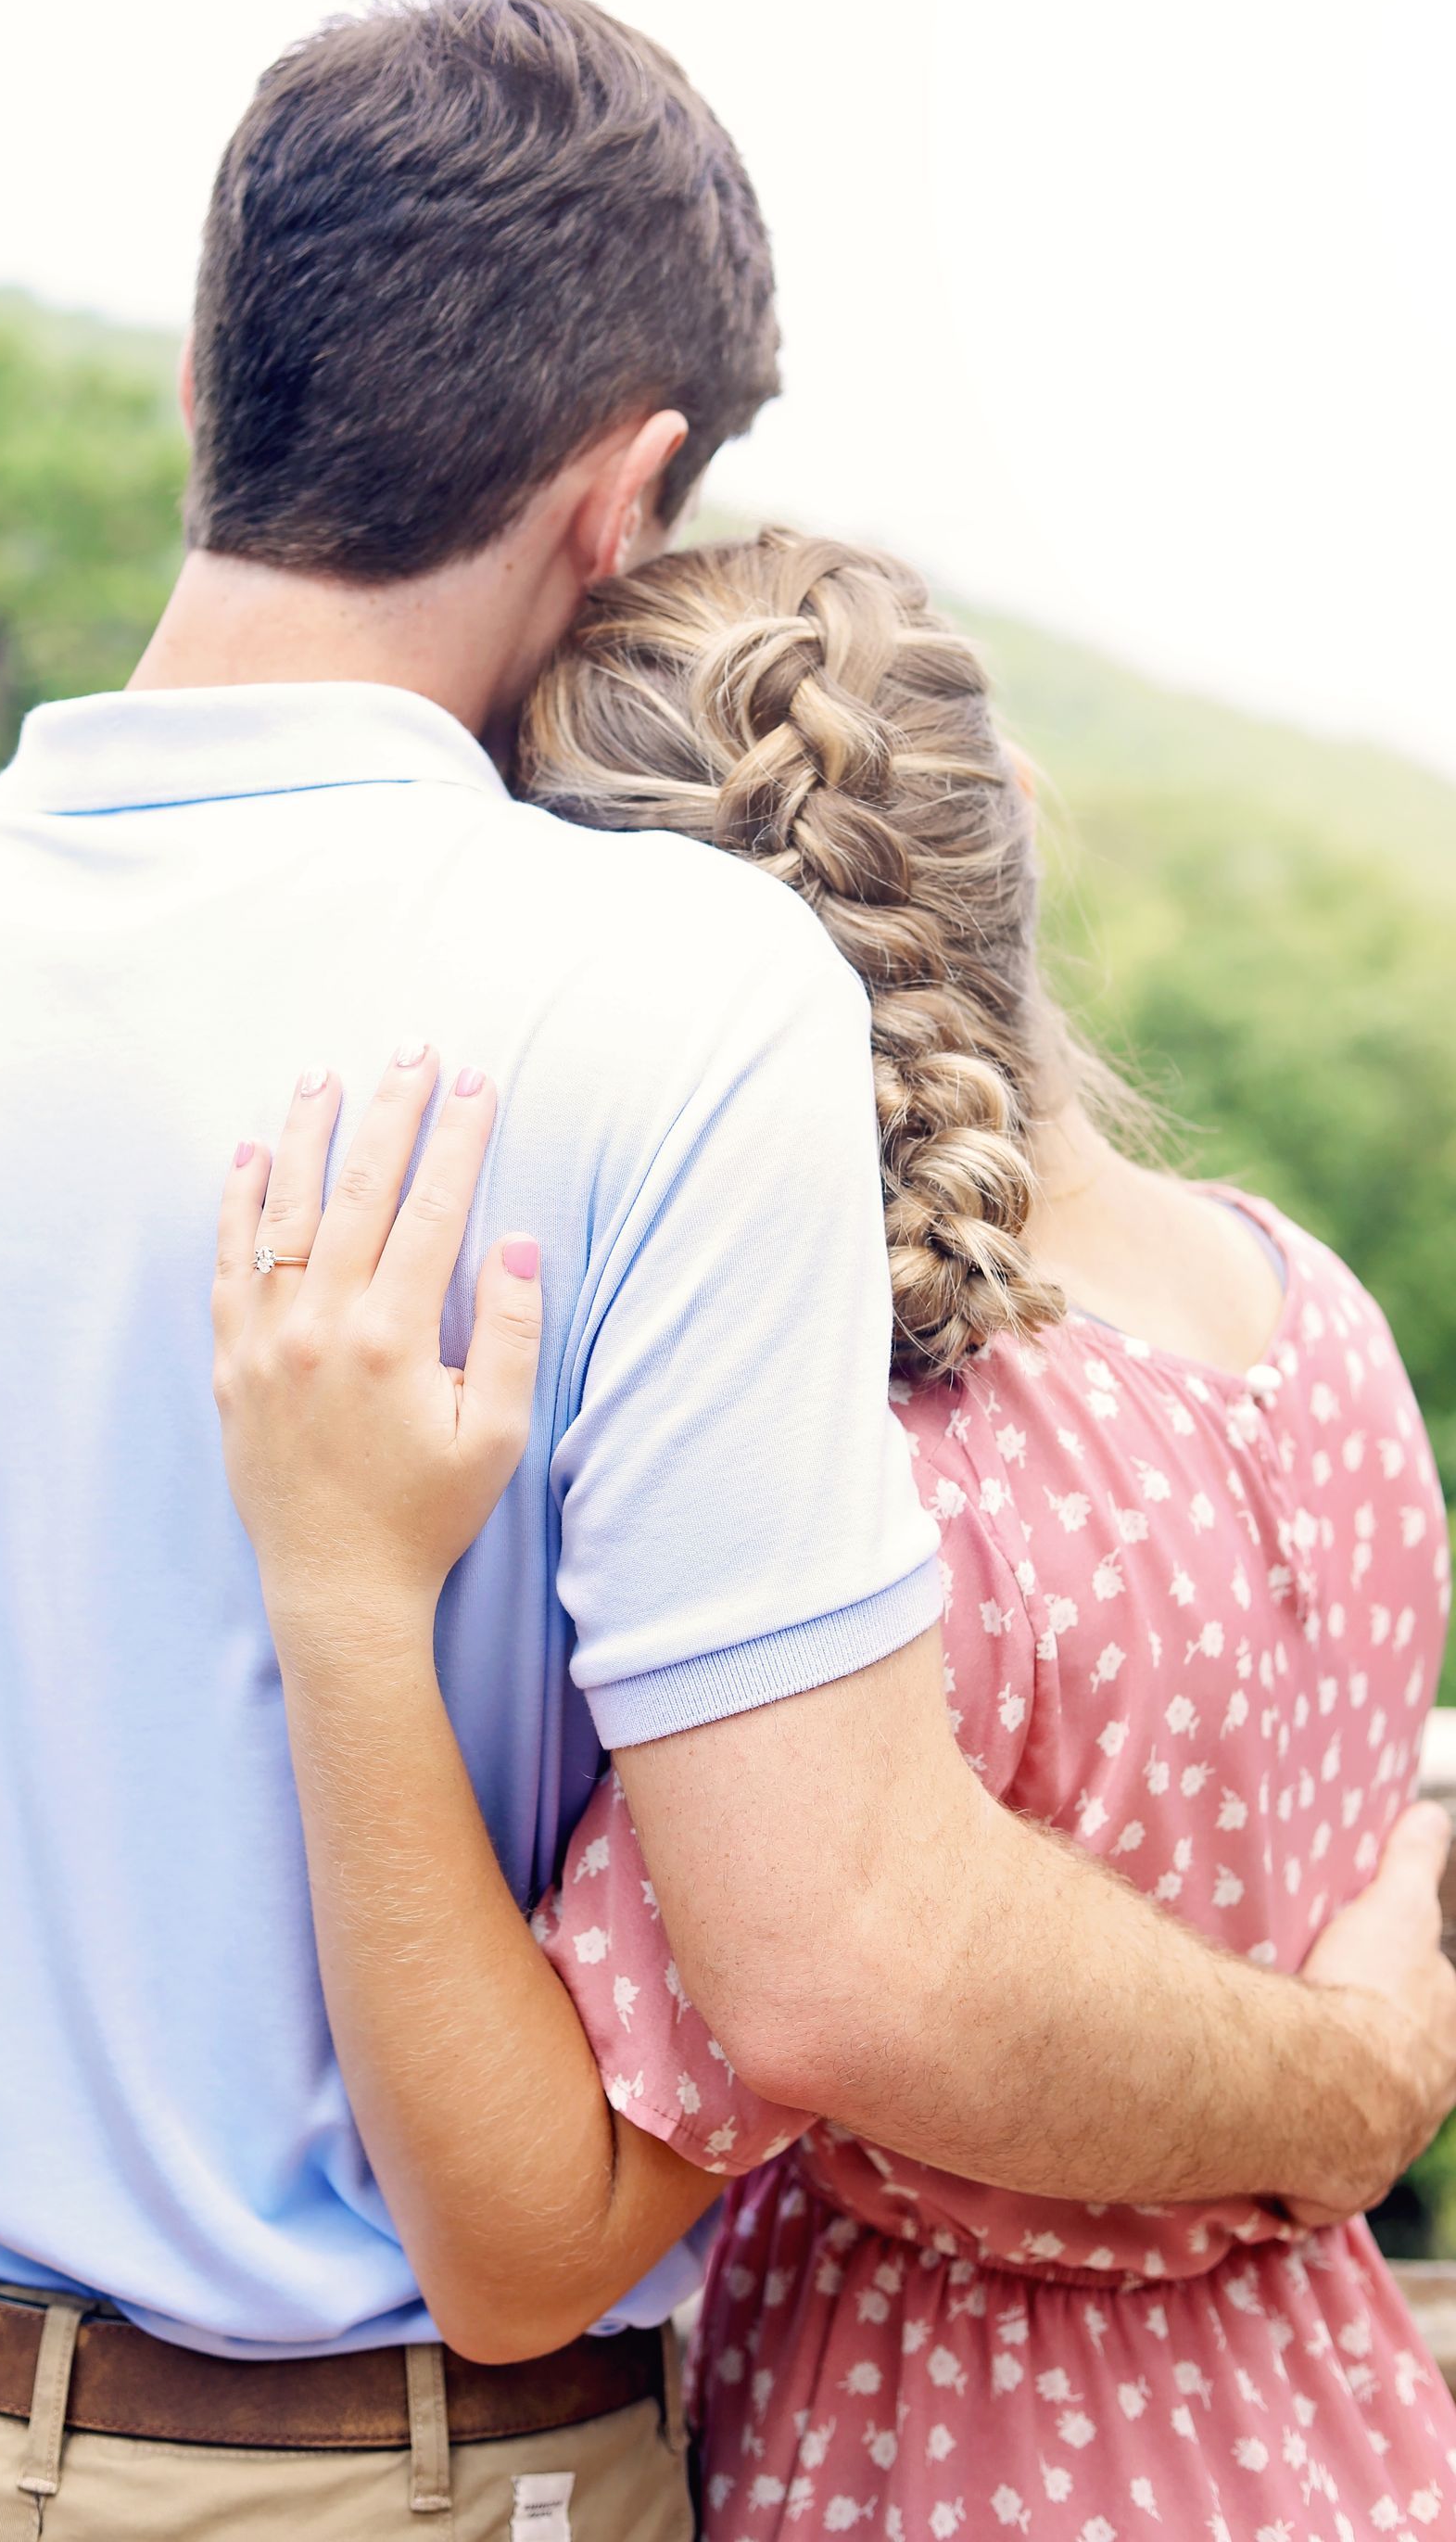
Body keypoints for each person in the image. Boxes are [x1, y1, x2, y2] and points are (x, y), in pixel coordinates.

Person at [0, 0, 1450, 2542]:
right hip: (393, 2477)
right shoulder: (668, 998)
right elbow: (835, 1956)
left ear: (209, 372)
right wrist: (1353, 2082)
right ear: (619, 497)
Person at [207, 530, 1456, 2538]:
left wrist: (351, 1594)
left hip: (954, 2463)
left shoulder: (876, 1505)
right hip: (1338, 2421)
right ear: (1013, 823)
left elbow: (540, 2227)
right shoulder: (1317, 1311)